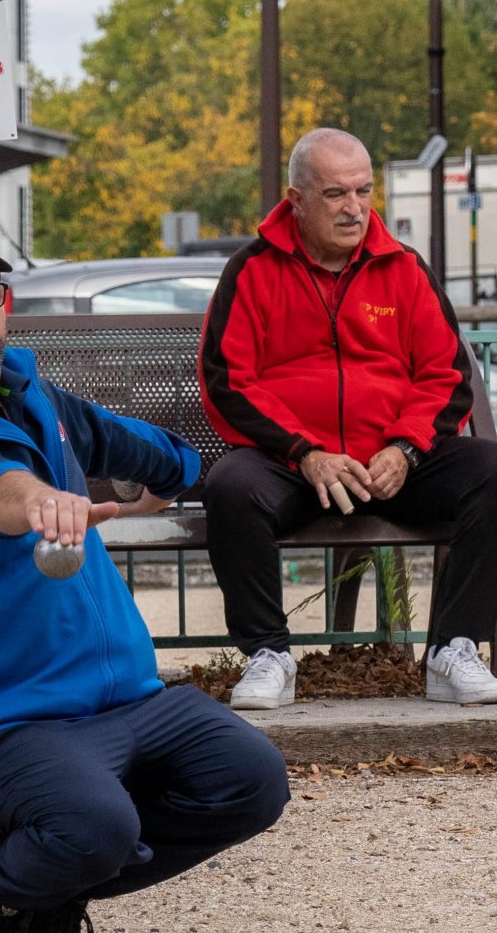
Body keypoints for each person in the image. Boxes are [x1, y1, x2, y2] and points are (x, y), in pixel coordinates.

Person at [0, 217, 289, 933]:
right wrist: (38, 500)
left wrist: (144, 481)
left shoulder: (39, 401)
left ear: (4, 301)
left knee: (252, 776)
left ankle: (54, 888)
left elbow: (167, 457)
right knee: (97, 824)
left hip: (127, 704)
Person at [199, 127, 497, 710]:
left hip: (394, 464)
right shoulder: (253, 269)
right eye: (336, 193)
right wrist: (303, 452)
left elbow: (446, 376)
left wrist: (406, 449)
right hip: (298, 467)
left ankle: (452, 649)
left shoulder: (405, 268)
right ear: (296, 200)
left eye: (363, 190)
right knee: (231, 486)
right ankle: (269, 656)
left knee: (493, 468)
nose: (354, 208)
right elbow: (229, 381)